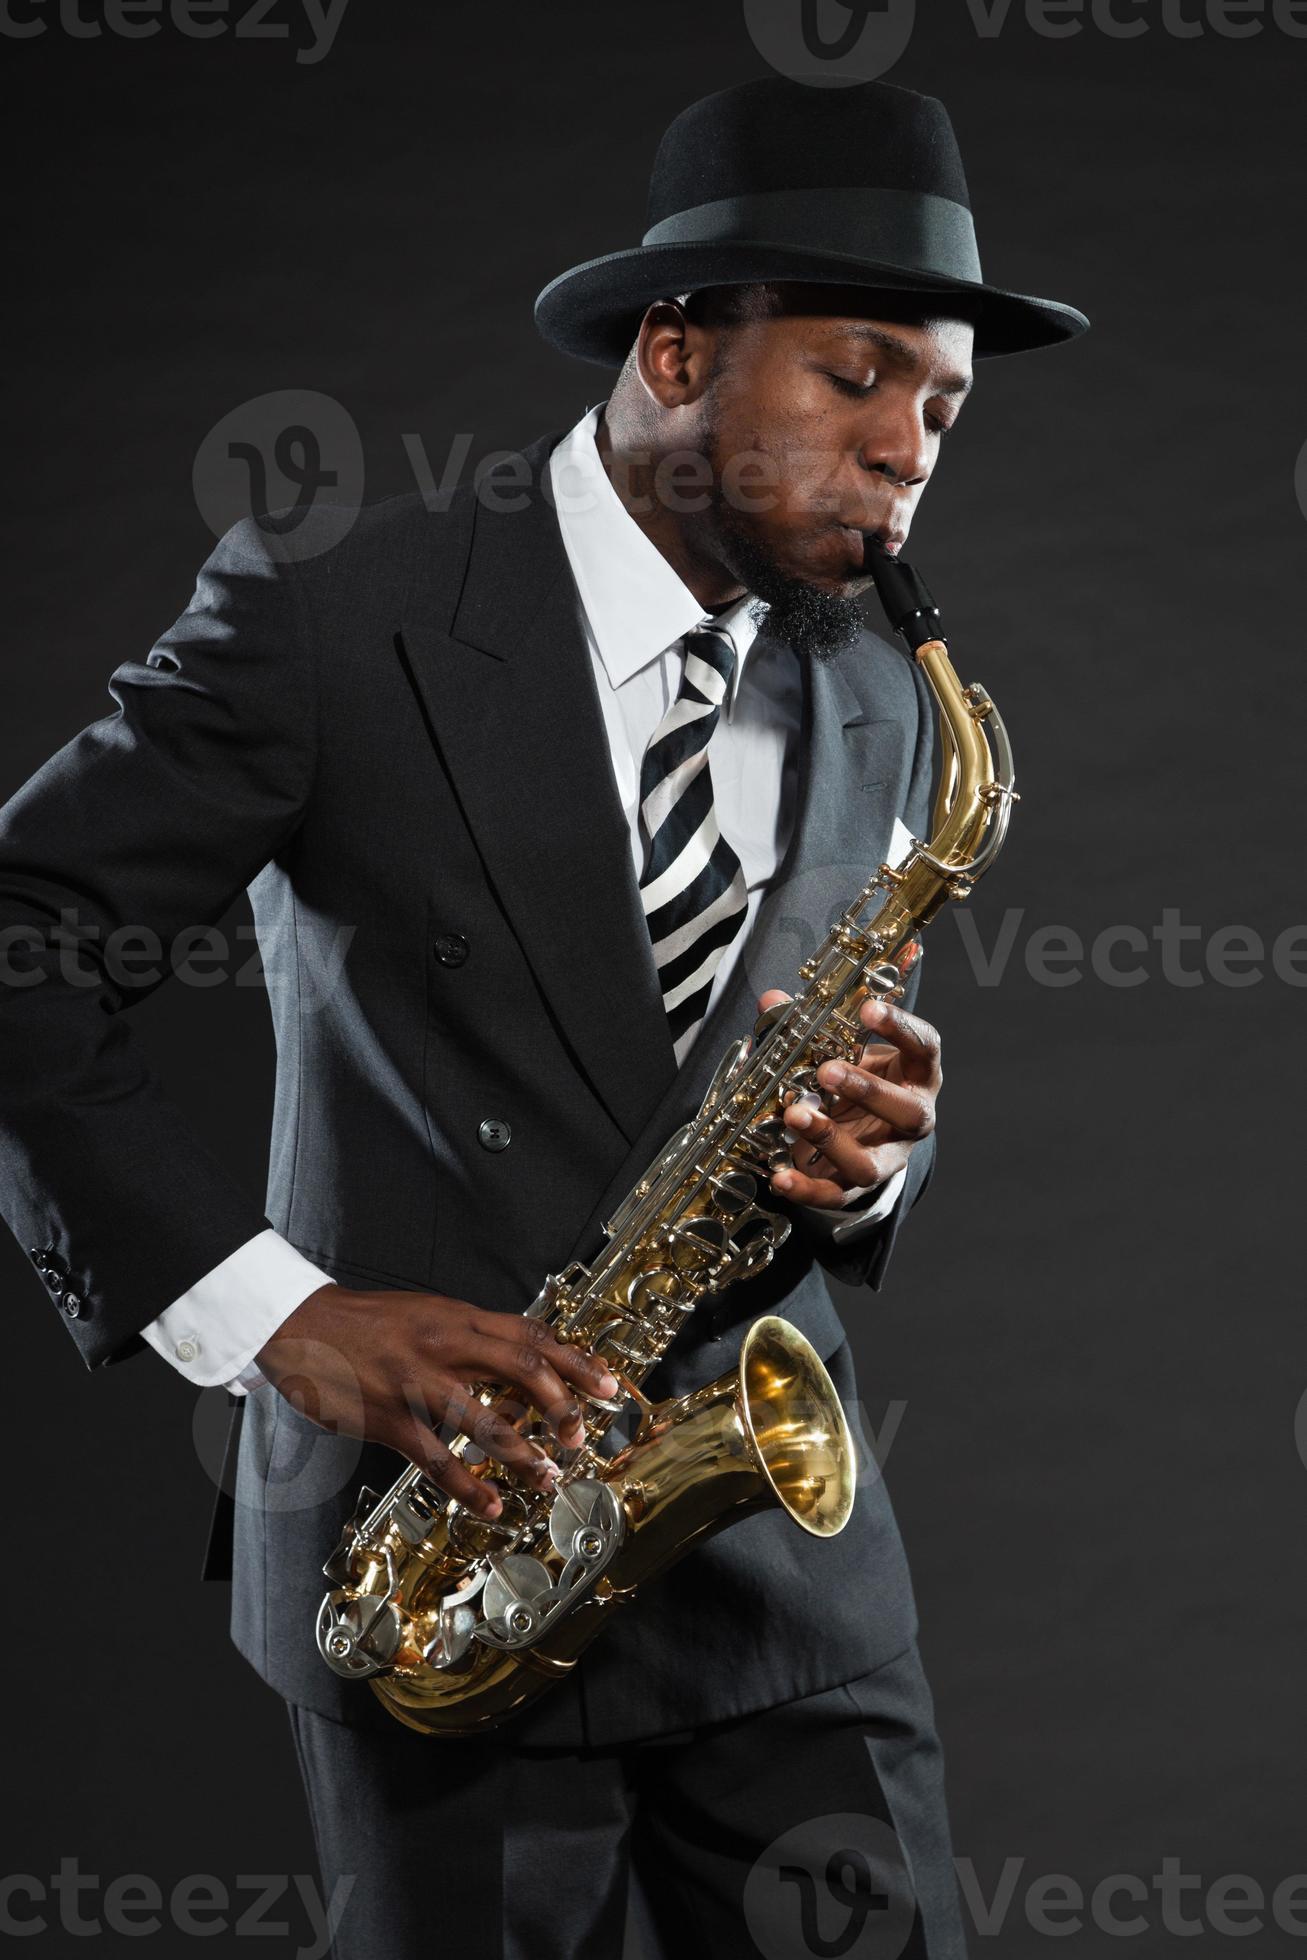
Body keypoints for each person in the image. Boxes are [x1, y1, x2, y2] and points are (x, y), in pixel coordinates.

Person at [0, 75, 1086, 1960]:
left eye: (944, 405)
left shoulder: (897, 697)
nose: (913, 448)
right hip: (439, 1569)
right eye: (859, 376)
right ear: (677, 346)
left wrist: (883, 1157)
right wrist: (280, 1317)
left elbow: (813, 1064)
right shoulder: (336, 612)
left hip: (777, 1584)